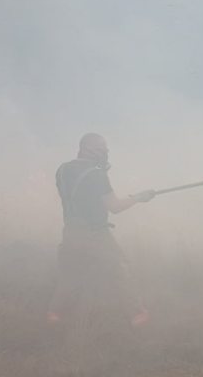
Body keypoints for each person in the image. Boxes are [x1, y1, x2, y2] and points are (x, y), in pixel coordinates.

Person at [46, 133, 155, 326]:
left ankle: (54, 315)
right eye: (102, 149)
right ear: (89, 149)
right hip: (95, 234)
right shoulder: (96, 174)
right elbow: (114, 206)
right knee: (120, 269)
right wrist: (139, 197)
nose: (105, 153)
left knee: (69, 276)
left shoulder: (62, 170)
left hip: (70, 231)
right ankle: (137, 315)